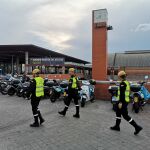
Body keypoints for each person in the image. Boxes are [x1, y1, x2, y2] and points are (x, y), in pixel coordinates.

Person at [110, 71, 143, 135]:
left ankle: (137, 127)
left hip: (122, 102)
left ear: (119, 76)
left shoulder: (123, 83)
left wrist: (120, 102)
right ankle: (117, 126)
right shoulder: (126, 82)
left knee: (125, 116)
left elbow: (122, 94)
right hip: (124, 101)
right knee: (118, 113)